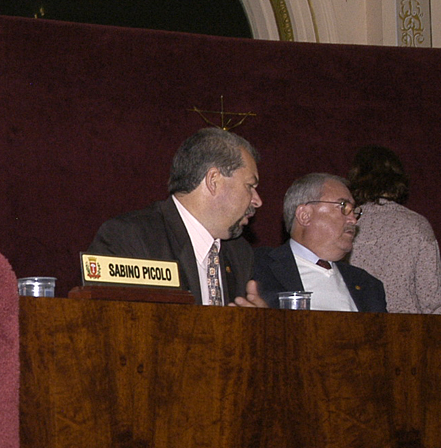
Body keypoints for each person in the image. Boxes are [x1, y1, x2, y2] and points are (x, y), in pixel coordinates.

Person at [86, 127, 267, 307]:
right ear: (213, 181)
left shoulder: (240, 253)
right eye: (250, 186)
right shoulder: (128, 238)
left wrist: (256, 325)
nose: (257, 201)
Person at [254, 173, 388, 312]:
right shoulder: (255, 267)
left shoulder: (368, 285)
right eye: (343, 207)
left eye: (354, 211)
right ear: (305, 215)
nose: (353, 220)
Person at [346, 146, 441, 314]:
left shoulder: (347, 222)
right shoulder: (417, 225)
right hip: (407, 330)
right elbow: (432, 301)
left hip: (355, 326)